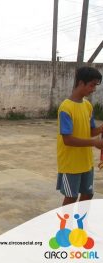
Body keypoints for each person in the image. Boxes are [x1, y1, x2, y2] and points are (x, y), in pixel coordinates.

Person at [56, 66, 103, 206]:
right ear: (81, 83)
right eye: (92, 85)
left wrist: (100, 129)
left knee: (88, 194)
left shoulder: (88, 106)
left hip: (86, 161)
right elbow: (68, 139)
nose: (94, 89)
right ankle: (65, 227)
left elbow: (90, 130)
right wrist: (94, 142)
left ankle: (80, 224)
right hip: (71, 163)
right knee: (71, 198)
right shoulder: (66, 108)